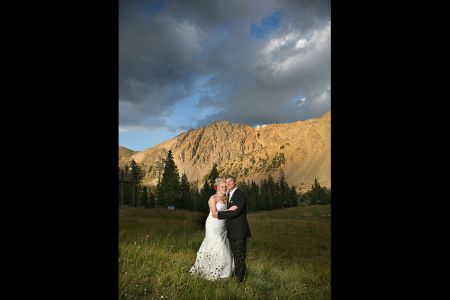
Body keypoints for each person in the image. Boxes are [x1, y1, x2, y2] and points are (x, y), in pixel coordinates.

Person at [189, 178, 238, 280]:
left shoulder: (226, 198)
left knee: (225, 246)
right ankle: (212, 272)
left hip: (223, 226)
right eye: (222, 187)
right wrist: (229, 210)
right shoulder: (213, 198)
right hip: (213, 225)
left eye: (225, 187)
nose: (224, 188)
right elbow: (215, 214)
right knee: (217, 246)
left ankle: (224, 273)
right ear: (217, 187)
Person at [212, 175, 251, 282]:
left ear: (235, 183)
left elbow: (236, 212)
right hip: (232, 231)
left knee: (240, 255)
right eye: (226, 182)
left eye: (230, 182)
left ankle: (240, 280)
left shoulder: (240, 194)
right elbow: (231, 210)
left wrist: (219, 214)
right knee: (236, 255)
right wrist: (230, 209)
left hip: (239, 231)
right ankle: (238, 275)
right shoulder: (229, 195)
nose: (228, 184)